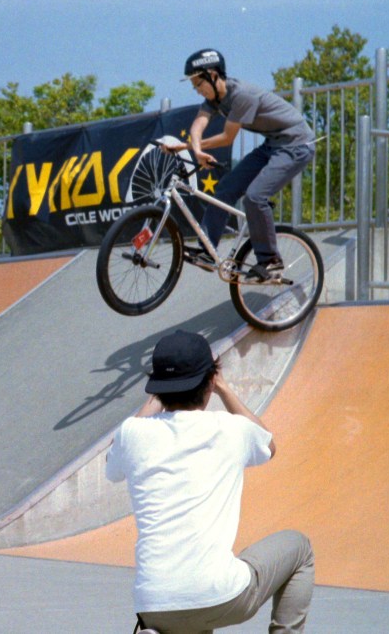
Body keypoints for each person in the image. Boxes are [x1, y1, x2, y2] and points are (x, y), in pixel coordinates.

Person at [107, 330, 313, 634]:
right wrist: (225, 389)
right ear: (209, 383)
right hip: (222, 596)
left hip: (154, 604)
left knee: (191, 615)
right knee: (299, 547)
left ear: (158, 388)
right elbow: (269, 446)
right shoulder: (232, 430)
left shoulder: (131, 434)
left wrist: (156, 397)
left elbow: (112, 466)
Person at [162, 49, 316, 281]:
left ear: (213, 75)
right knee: (225, 189)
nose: (198, 90)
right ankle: (208, 250)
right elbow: (198, 125)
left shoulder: (242, 96)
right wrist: (196, 149)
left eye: (199, 84)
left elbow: (227, 138)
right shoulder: (214, 98)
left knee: (255, 196)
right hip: (273, 144)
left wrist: (187, 147)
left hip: (297, 145)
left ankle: (270, 261)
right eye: (194, 87)